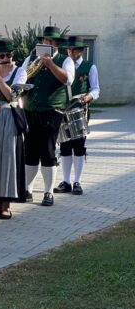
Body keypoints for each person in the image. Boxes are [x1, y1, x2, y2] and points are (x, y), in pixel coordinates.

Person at [23, 26, 75, 206]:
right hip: (30, 110)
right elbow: (22, 78)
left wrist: (50, 64)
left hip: (52, 110)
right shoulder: (30, 58)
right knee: (29, 150)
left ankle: (48, 192)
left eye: (52, 42)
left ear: (57, 45)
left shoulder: (65, 60)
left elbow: (67, 80)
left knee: (47, 151)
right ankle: (27, 190)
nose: (49, 44)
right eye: (46, 41)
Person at [0, 39, 27, 219]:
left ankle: (6, 205)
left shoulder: (20, 71)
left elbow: (11, 96)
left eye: (8, 55)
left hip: (9, 114)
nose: (5, 58)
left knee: (8, 158)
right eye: (1, 55)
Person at [54, 36, 99, 196]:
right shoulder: (62, 65)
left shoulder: (89, 66)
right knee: (64, 146)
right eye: (69, 49)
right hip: (62, 109)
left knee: (79, 146)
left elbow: (96, 89)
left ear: (81, 50)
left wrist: (88, 97)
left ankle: (77, 181)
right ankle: (66, 181)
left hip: (79, 109)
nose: (71, 52)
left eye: (75, 49)